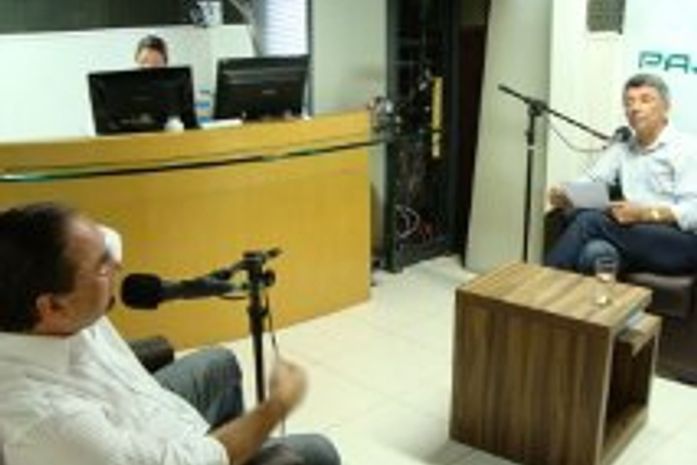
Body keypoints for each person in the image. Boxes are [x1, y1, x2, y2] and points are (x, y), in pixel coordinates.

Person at [0, 202, 340, 465]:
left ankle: (238, 441)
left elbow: (100, 241)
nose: (118, 265)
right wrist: (276, 406)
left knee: (219, 363)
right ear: (53, 306)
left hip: (144, 409)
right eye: (103, 266)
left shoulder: (38, 304)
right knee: (319, 451)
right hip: (168, 452)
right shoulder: (50, 421)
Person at [545, 73, 697, 275]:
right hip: (633, 237)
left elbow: (693, 212)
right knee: (595, 253)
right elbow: (592, 179)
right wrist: (566, 192)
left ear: (666, 107)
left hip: (678, 243)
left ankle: (540, 284)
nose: (635, 108)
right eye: (629, 102)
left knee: (589, 221)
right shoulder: (622, 148)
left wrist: (645, 213)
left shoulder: (687, 148)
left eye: (645, 100)